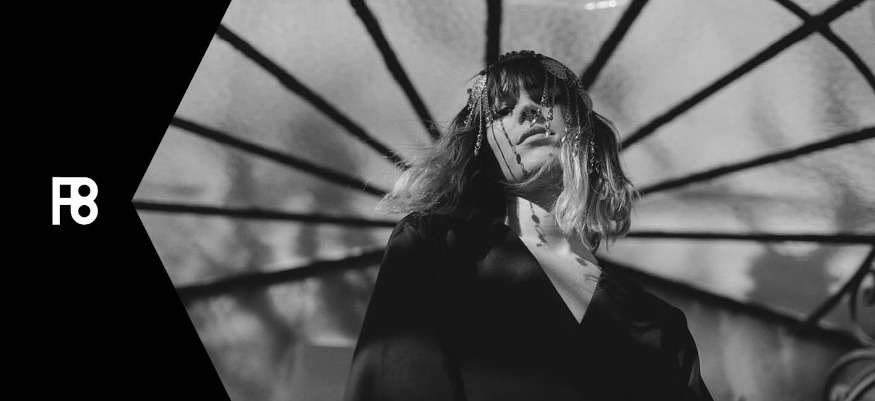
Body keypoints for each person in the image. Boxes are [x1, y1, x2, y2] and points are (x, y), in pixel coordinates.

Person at [343, 50, 713, 401]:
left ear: (581, 126)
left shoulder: (658, 324)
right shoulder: (436, 248)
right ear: (482, 146)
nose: (528, 109)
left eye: (547, 97)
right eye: (502, 109)